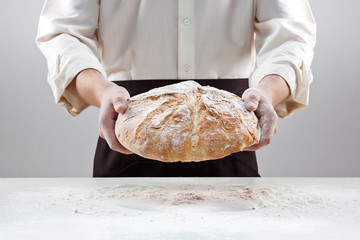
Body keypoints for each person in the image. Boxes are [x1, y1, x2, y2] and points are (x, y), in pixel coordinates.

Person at [36, 0, 316, 177]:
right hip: (131, 121)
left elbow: (290, 35)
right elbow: (64, 33)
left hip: (229, 122)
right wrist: (102, 91)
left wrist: (268, 90)